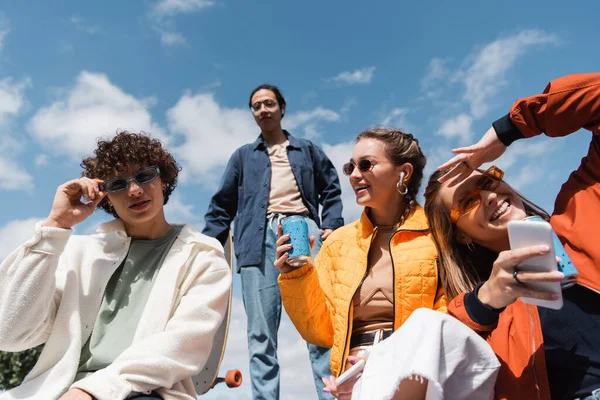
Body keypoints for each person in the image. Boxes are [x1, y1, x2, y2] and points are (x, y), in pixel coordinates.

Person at [0, 131, 231, 400]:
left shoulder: (202, 256)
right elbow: (10, 333)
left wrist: (91, 391)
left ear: (163, 180)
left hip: (146, 391)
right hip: (57, 391)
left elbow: (182, 345)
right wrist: (55, 227)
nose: (134, 190)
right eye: (118, 184)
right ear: (105, 195)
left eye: (145, 176)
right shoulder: (81, 254)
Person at [424, 72, 600, 400]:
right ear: (461, 237)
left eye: (487, 181)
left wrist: (510, 129)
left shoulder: (584, 201)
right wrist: (487, 299)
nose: (488, 196)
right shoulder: (490, 316)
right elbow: (438, 367)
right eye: (467, 201)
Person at [274, 129, 450, 399]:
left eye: (366, 164)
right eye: (350, 167)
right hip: (354, 380)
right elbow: (319, 331)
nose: (355, 175)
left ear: (403, 172)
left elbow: (450, 311)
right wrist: (297, 276)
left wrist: (392, 358)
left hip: (421, 373)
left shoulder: (438, 233)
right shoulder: (338, 243)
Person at [202, 84, 344, 400]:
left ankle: (332, 396)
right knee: (260, 335)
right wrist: (206, 247)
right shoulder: (242, 157)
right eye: (256, 106)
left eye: (268, 103)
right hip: (256, 238)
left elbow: (331, 190)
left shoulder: (307, 149)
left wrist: (332, 225)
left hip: (301, 230)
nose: (263, 110)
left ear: (281, 107)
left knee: (319, 325)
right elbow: (222, 205)